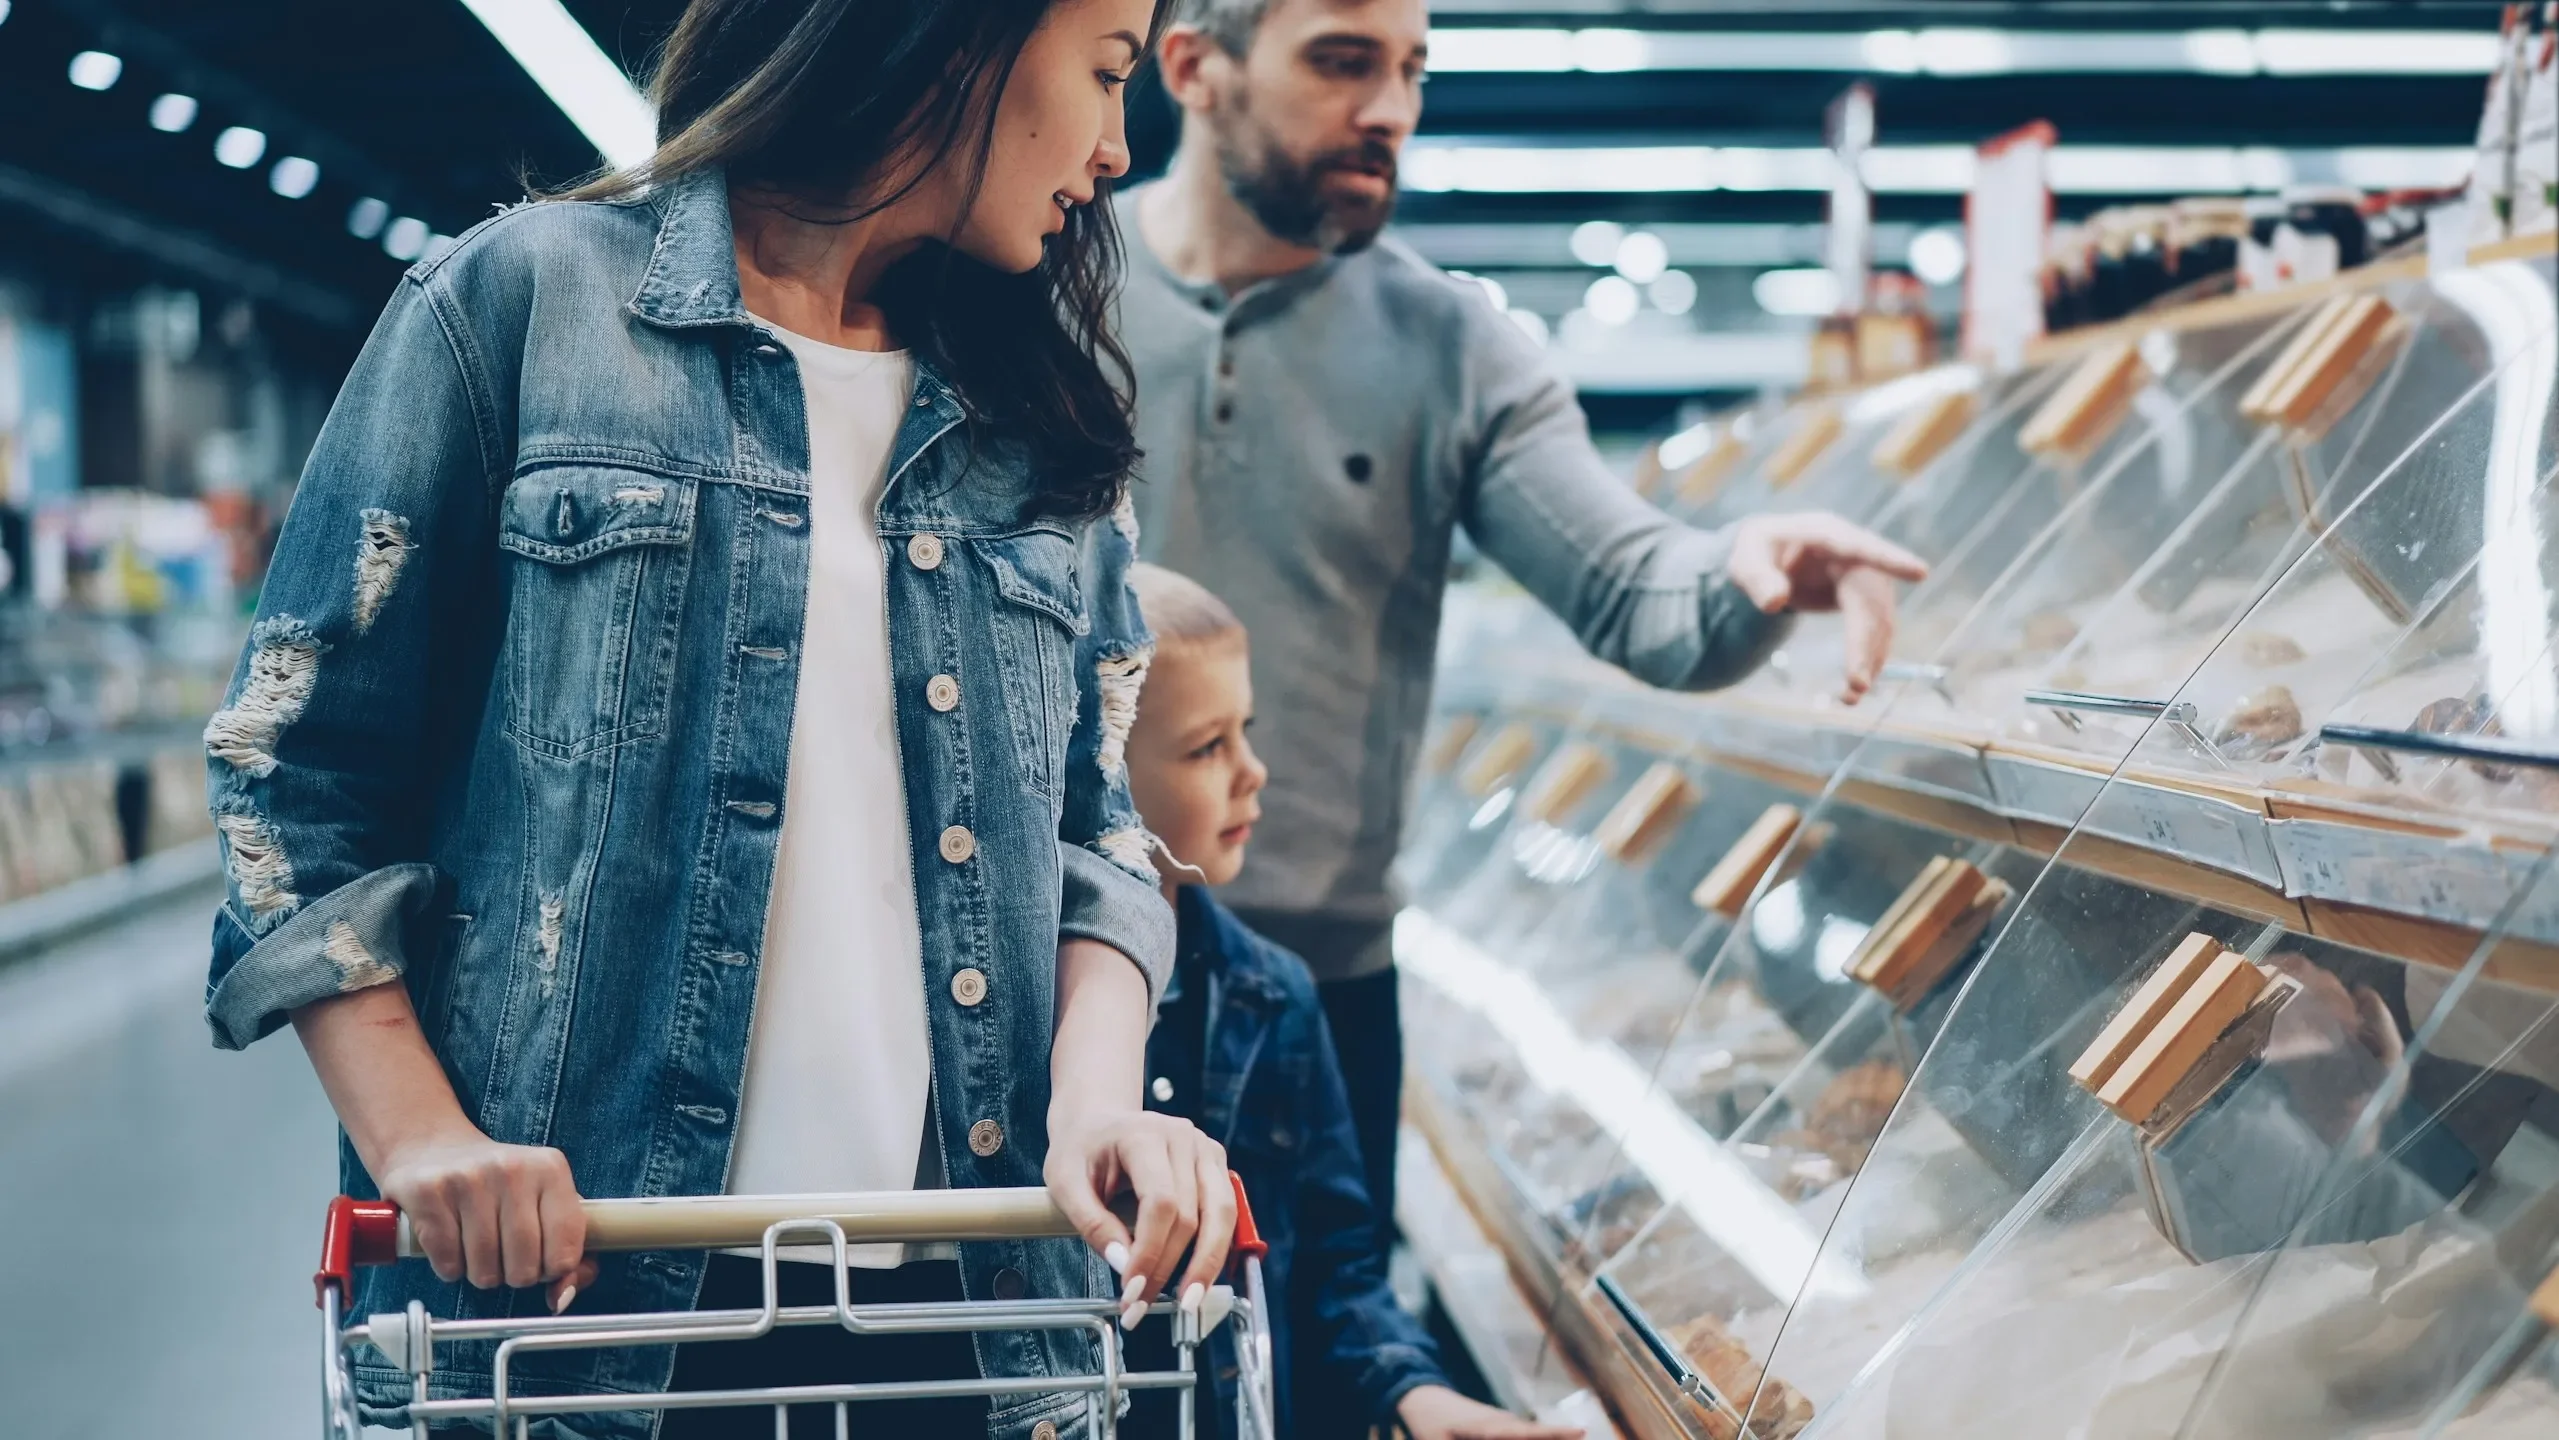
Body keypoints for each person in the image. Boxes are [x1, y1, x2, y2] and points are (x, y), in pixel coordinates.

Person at [199, 4, 1237, 1436]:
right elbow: (291, 771)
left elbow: (1097, 835)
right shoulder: (523, 306)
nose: (1118, 150)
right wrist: (422, 1141)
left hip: (976, 1327)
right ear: (954, 41)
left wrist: (1100, 1107)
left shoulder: (1033, 412)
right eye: (1107, 73)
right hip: (576, 1328)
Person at [1111, 0, 1931, 1243]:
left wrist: (1740, 571)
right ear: (1193, 69)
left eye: (1410, 70)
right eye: (1342, 62)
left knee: (1322, 1386)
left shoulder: (1454, 345)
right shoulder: (1044, 289)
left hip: (1314, 1001)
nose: (1389, 108)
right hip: (1045, 966)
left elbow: (1631, 589)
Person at [1116, 563, 1581, 1440]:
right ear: (1097, 768)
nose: (1253, 772)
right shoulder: (1019, 1021)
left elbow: (1339, 1273)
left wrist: (1418, 1396)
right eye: (1205, 746)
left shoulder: (1276, 995)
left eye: (1245, 733)